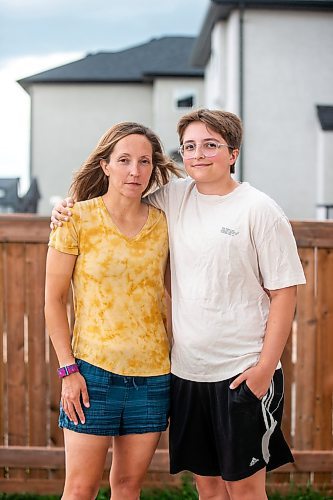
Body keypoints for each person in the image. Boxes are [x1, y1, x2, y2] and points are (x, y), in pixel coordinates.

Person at [51, 109, 306, 500]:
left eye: (211, 145)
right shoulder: (172, 198)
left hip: (234, 372)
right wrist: (64, 207)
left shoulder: (257, 210)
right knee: (207, 489)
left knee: (244, 491)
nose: (199, 154)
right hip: (182, 375)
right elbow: (119, 198)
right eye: (190, 146)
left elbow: (285, 292)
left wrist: (264, 370)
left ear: (233, 152)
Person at [45, 121, 180, 500]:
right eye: (123, 160)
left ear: (154, 168)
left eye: (143, 162)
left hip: (153, 376)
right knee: (79, 489)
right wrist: (68, 370)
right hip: (90, 374)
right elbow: (53, 301)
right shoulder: (75, 219)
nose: (134, 171)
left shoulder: (165, 225)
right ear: (105, 165)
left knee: (127, 487)